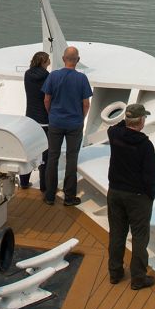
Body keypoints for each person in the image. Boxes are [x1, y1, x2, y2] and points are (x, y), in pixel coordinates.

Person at [107, 103, 155, 289]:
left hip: (115, 192)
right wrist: (149, 197)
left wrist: (126, 119)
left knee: (117, 234)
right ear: (141, 121)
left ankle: (115, 273)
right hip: (137, 196)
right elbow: (150, 176)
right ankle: (138, 278)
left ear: (128, 120)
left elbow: (116, 126)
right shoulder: (145, 145)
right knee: (139, 238)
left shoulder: (114, 135)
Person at [42, 46, 92, 206]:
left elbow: (46, 100)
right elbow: (86, 104)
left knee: (52, 157)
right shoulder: (82, 79)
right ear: (77, 60)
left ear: (63, 59)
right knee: (72, 159)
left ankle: (50, 195)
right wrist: (81, 118)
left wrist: (51, 114)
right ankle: (69, 197)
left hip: (55, 121)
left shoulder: (53, 76)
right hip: (74, 123)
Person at [20, 51, 52, 188]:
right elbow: (47, 98)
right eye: (48, 60)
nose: (49, 62)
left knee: (29, 150)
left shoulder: (27, 74)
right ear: (44, 62)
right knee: (45, 153)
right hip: (44, 119)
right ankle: (44, 186)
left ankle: (24, 182)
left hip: (30, 117)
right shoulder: (47, 76)